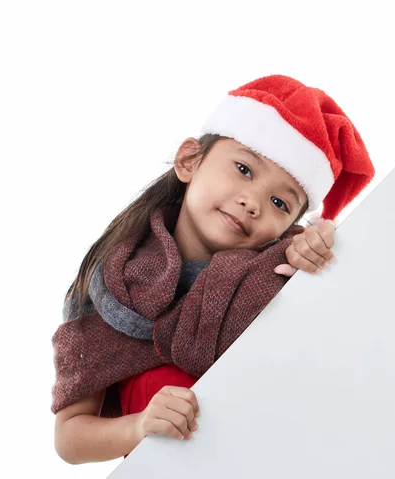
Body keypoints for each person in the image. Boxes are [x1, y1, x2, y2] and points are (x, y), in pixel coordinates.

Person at [51, 74, 375, 464]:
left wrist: (323, 258)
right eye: (243, 169)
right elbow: (70, 438)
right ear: (189, 161)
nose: (253, 202)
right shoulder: (112, 287)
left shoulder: (283, 274)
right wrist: (138, 426)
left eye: (279, 202)